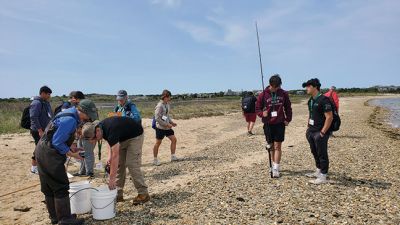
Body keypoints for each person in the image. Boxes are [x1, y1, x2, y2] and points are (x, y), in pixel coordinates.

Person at [35, 101, 98, 225]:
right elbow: (57, 142)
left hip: (41, 150)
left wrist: (71, 148)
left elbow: (56, 136)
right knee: (60, 186)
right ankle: (65, 220)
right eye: (89, 115)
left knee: (49, 187)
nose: (89, 118)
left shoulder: (66, 113)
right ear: (83, 111)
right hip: (50, 153)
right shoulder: (70, 120)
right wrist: (72, 154)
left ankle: (55, 218)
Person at [82, 116, 150, 205]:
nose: (92, 141)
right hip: (122, 137)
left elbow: (115, 155)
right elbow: (110, 143)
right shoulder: (101, 128)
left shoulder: (110, 130)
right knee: (119, 165)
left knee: (132, 164)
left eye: (93, 139)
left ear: (97, 131)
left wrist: (111, 179)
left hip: (135, 136)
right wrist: (109, 156)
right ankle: (117, 193)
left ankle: (143, 193)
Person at [256, 74, 292, 178]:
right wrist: (262, 114)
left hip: (280, 123)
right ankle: (272, 164)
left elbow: (288, 107)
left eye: (279, 87)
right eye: (275, 87)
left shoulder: (283, 93)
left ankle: (276, 168)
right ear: (271, 85)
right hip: (268, 124)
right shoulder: (262, 95)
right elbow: (257, 109)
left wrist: (287, 119)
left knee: (277, 146)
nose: (277, 89)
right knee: (271, 146)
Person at [302, 78, 333, 185]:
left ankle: (323, 176)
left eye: (308, 86)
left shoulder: (324, 100)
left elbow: (329, 117)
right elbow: (310, 114)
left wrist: (323, 133)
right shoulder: (310, 100)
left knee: (322, 153)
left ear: (315, 87)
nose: (306, 88)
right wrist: (307, 128)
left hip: (320, 132)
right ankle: (318, 170)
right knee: (314, 151)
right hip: (311, 130)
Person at [29, 86, 53, 174]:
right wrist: (40, 130)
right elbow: (33, 117)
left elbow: (50, 115)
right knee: (39, 148)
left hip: (45, 129)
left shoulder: (45, 102)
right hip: (38, 131)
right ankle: (34, 167)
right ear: (42, 93)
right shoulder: (36, 103)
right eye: (48, 94)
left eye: (50, 94)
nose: (49, 96)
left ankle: (42, 166)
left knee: (44, 148)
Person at [152, 90, 178, 166]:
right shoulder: (159, 106)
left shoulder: (167, 104)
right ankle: (155, 159)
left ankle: (173, 156)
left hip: (167, 127)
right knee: (158, 143)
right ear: (165, 97)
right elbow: (157, 118)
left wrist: (171, 122)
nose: (170, 98)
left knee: (174, 139)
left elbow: (166, 115)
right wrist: (167, 124)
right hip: (160, 128)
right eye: (169, 97)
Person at [74, 99, 98, 178]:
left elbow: (96, 125)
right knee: (82, 153)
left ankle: (89, 172)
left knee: (88, 153)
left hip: (88, 137)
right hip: (80, 136)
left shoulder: (92, 115)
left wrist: (94, 138)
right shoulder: (78, 114)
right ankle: (82, 171)